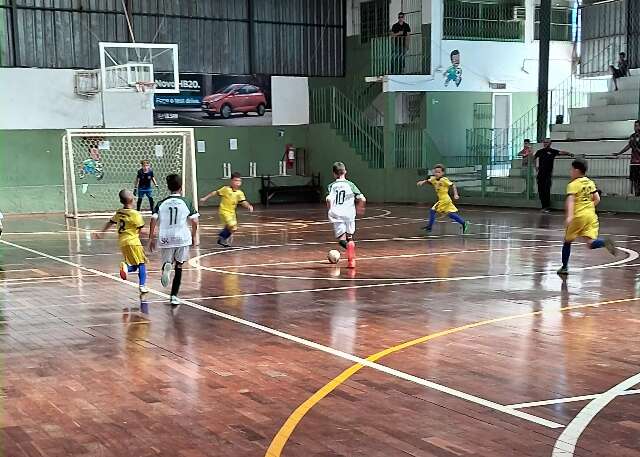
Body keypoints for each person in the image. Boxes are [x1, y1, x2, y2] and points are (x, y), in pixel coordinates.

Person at [557, 159, 616, 275]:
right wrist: (588, 208)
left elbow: (570, 200)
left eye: (571, 169)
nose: (570, 172)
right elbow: (597, 199)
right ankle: (604, 242)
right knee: (590, 243)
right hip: (591, 216)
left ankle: (564, 267)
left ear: (577, 170)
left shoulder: (573, 185)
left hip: (578, 216)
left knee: (567, 242)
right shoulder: (590, 182)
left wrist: (569, 216)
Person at [149, 174, 199, 306]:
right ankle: (174, 296)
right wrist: (194, 236)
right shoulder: (186, 202)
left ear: (168, 187)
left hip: (165, 237)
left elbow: (153, 220)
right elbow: (195, 221)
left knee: (168, 262)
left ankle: (166, 266)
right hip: (182, 237)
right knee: (179, 265)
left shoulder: (161, 203)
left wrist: (151, 238)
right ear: (181, 187)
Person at [93, 189, 148, 294]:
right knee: (142, 263)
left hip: (122, 242)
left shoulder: (119, 212)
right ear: (132, 200)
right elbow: (142, 230)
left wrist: (101, 233)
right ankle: (142, 286)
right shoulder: (135, 214)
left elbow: (110, 222)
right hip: (133, 242)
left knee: (136, 264)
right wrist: (153, 233)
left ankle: (127, 268)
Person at [326, 162, 366, 269]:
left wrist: (329, 209)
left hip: (338, 215)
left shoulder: (332, 186)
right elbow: (362, 198)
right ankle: (351, 260)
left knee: (341, 239)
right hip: (349, 214)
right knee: (349, 237)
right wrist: (360, 207)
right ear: (345, 172)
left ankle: (349, 249)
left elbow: (329, 199)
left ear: (334, 174)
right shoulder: (351, 185)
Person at [199, 172, 254, 248]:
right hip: (224, 211)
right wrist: (205, 198)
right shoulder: (226, 189)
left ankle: (222, 238)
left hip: (232, 213)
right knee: (231, 225)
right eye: (235, 180)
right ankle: (222, 236)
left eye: (239, 181)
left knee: (234, 229)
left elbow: (243, 201)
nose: (237, 182)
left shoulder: (240, 193)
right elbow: (215, 192)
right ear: (231, 181)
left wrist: (248, 206)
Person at [417, 164, 470, 234]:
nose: (436, 173)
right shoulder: (433, 179)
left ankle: (429, 228)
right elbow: (428, 181)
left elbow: (453, 185)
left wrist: (456, 194)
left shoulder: (444, 180)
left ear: (442, 173)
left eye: (438, 172)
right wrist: (422, 182)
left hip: (445, 199)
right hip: (442, 200)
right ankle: (464, 223)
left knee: (432, 211)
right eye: (435, 172)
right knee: (450, 214)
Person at [534, 138, 573, 212]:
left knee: (546, 190)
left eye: (547, 142)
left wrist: (569, 153)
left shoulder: (552, 151)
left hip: (548, 174)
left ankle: (547, 207)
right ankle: (543, 206)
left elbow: (561, 152)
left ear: (550, 143)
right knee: (541, 190)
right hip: (540, 174)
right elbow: (534, 158)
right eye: (544, 142)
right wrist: (535, 166)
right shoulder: (540, 151)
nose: (545, 143)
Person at [613, 120, 640, 196]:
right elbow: (628, 146)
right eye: (635, 126)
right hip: (633, 162)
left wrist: (636, 147)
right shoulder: (632, 136)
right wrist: (619, 153)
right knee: (634, 180)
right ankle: (636, 194)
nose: (635, 127)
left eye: (637, 126)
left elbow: (635, 147)